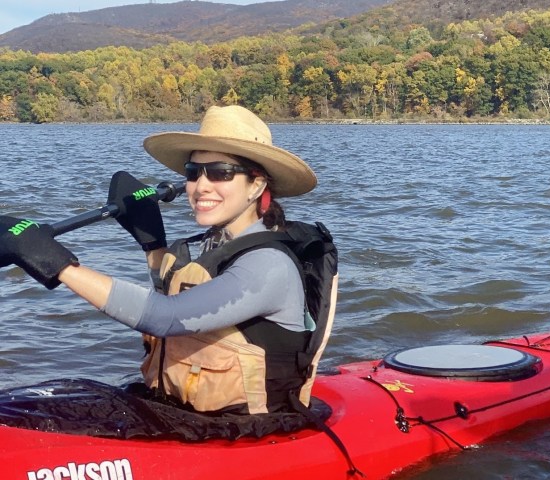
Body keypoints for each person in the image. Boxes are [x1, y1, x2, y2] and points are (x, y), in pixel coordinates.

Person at [0, 105, 335, 419]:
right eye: (194, 172)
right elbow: (183, 300)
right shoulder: (217, 245)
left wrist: (54, 261)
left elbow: (164, 317)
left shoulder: (268, 265)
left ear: (256, 184)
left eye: (220, 173)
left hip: (246, 428)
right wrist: (151, 240)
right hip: (184, 408)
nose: (201, 186)